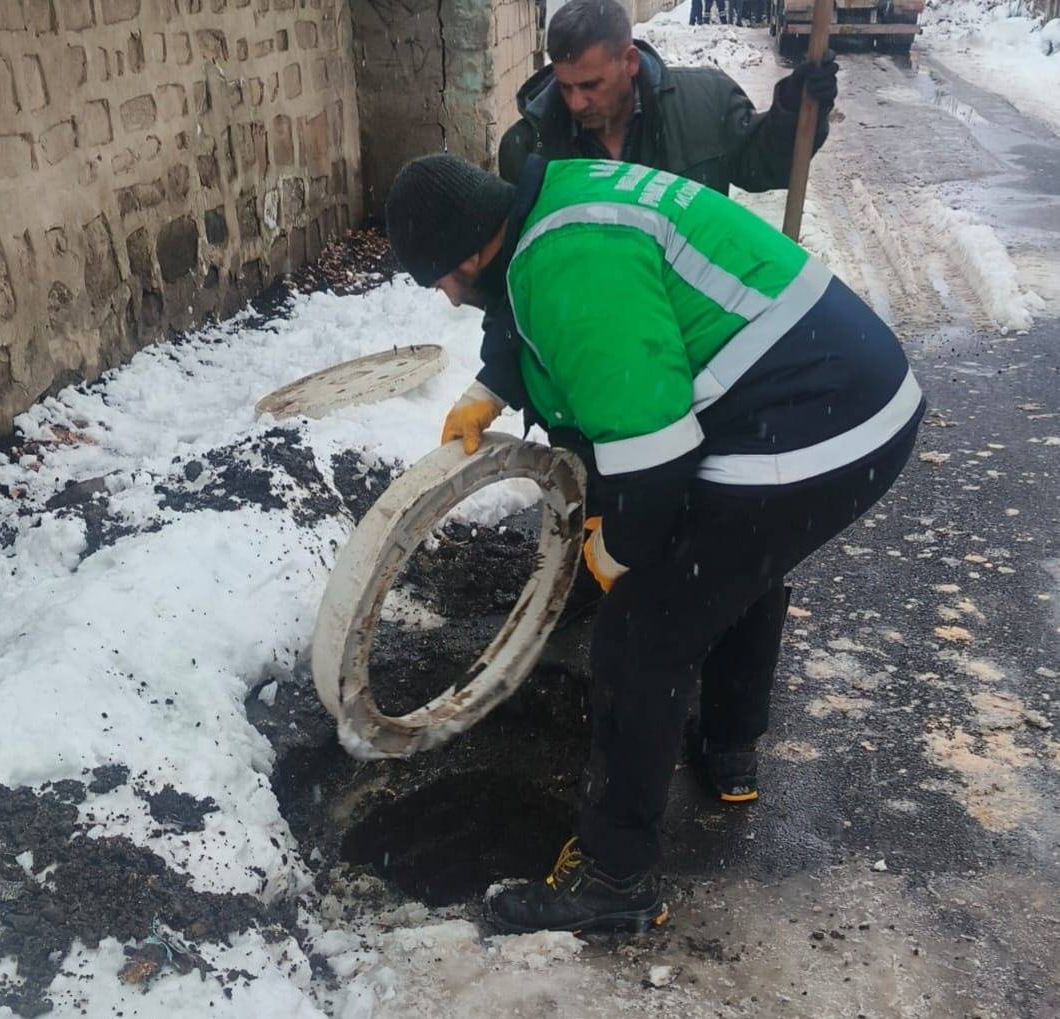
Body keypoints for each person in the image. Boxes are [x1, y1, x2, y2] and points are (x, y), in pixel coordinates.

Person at [384, 152, 924, 934]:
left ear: (469, 252)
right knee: (733, 565)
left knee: (642, 634)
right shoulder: (557, 199)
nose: (444, 294)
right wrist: (490, 385)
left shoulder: (564, 262)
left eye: (437, 278)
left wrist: (618, 552)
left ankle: (615, 880)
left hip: (816, 424)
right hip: (854, 390)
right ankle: (729, 749)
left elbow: (654, 455)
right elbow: (533, 307)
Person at [498, 0, 837, 194]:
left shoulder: (706, 104)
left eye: (590, 86)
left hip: (688, 314)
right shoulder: (530, 149)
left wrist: (793, 112)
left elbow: (763, 166)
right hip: (591, 316)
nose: (575, 102)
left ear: (629, 61)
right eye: (565, 86)